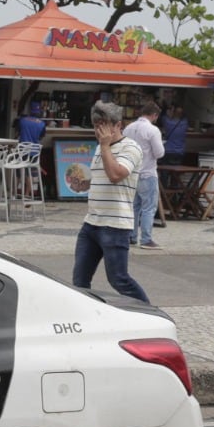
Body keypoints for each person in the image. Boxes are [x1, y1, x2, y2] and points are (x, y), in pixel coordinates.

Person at [71, 101, 150, 303]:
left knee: (118, 279)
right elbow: (103, 177)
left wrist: (105, 146)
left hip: (114, 225)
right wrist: (84, 184)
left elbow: (116, 175)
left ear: (118, 125)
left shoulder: (131, 148)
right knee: (79, 280)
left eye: (105, 125)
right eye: (96, 125)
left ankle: (149, 313)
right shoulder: (101, 147)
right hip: (92, 223)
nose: (100, 130)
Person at [123, 100, 166, 250]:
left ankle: (131, 236)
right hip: (147, 172)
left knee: (134, 207)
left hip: (131, 173)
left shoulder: (128, 128)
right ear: (154, 115)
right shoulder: (152, 130)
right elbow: (159, 153)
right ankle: (146, 239)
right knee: (148, 207)